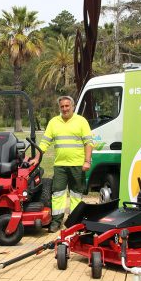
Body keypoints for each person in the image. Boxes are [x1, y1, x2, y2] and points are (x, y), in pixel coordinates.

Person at [30, 96, 93, 232]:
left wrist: (87, 161)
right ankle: (56, 222)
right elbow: (45, 143)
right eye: (62, 106)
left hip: (77, 165)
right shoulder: (54, 122)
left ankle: (75, 221)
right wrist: (36, 158)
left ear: (73, 107)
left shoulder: (81, 121)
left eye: (67, 106)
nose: (64, 109)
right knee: (57, 193)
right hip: (60, 165)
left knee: (76, 194)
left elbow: (89, 143)